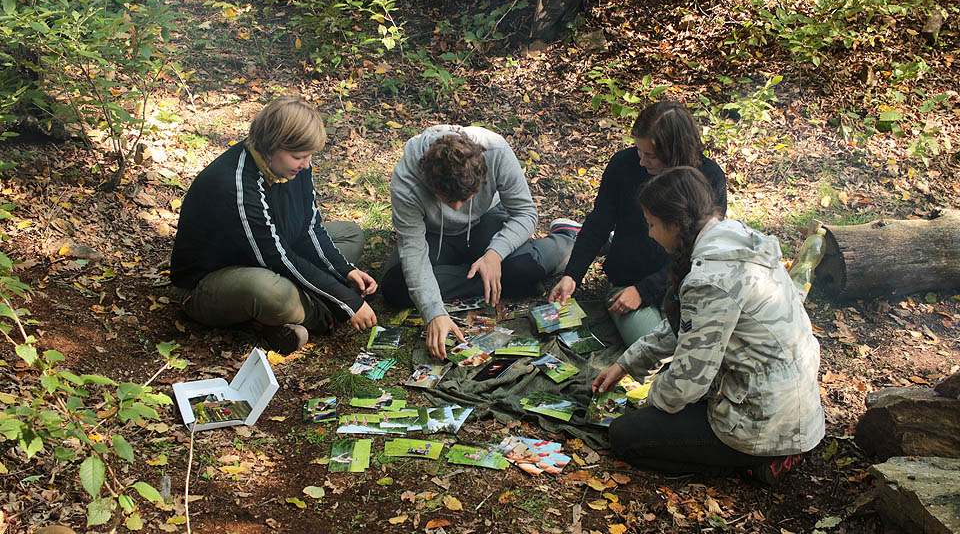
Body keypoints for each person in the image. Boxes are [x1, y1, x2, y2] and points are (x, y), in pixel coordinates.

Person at [592, 167, 824, 483]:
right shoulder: (730, 237)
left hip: (765, 421)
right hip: (789, 403)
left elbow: (687, 383)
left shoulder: (710, 280)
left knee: (625, 435)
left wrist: (649, 400)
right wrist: (625, 364)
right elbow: (686, 326)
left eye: (652, 224)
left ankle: (754, 462)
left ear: (674, 225)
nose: (649, 233)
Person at [170, 96, 378, 354]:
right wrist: (345, 302)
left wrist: (344, 271)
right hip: (211, 284)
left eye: (309, 155)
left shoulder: (295, 168)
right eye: (298, 156)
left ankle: (278, 320)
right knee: (270, 292)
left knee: (350, 234)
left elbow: (309, 229)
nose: (306, 164)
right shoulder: (236, 185)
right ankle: (324, 316)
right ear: (271, 146)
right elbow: (276, 257)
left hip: (272, 255)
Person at [382, 125, 579, 359]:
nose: (457, 208)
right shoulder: (407, 182)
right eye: (447, 201)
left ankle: (567, 239)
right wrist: (434, 312)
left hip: (487, 222)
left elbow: (526, 213)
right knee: (395, 286)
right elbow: (413, 251)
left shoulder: (495, 150)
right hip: (435, 236)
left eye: (465, 199)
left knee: (523, 267)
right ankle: (500, 279)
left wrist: (495, 254)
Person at [550, 101, 727, 346]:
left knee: (693, 344)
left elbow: (704, 252)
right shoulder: (624, 165)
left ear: (674, 151)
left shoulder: (710, 178)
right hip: (627, 279)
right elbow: (598, 221)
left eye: (650, 155)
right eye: (638, 150)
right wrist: (572, 275)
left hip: (682, 284)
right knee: (650, 345)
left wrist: (646, 290)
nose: (642, 161)